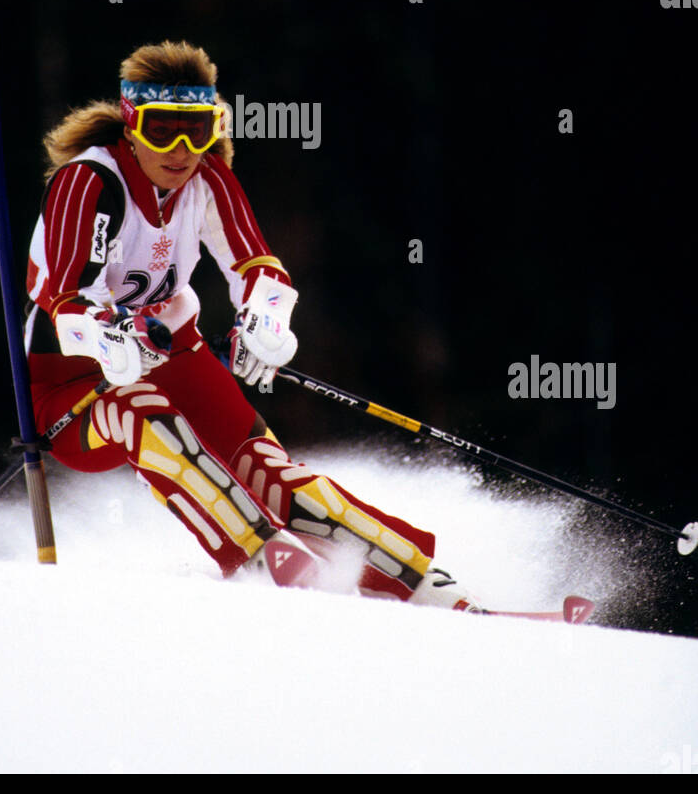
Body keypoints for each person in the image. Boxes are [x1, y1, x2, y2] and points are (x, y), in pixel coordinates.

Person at [26, 39, 481, 608]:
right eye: (165, 129)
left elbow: (257, 267)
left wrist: (264, 324)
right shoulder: (90, 182)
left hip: (172, 354)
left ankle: (423, 584)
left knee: (269, 472)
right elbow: (64, 302)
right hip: (73, 387)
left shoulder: (207, 178)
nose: (183, 149)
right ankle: (257, 556)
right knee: (144, 415)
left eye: (199, 129)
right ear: (132, 122)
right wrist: (108, 336)